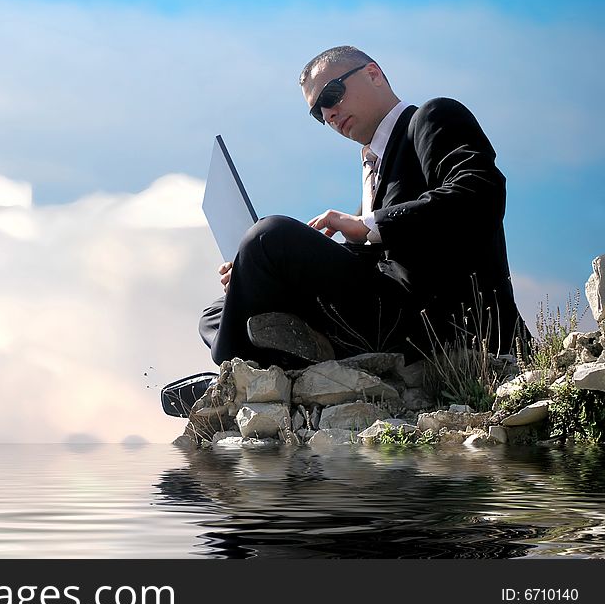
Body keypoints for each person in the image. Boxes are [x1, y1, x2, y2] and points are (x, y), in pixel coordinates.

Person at [197, 45, 528, 369]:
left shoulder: (432, 117)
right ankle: (272, 366)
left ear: (373, 74)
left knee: (268, 236)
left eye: (330, 96)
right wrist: (252, 275)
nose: (328, 115)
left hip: (445, 321)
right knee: (217, 311)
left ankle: (233, 377)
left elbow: (481, 193)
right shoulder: (372, 171)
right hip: (386, 321)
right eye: (318, 113)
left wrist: (369, 224)